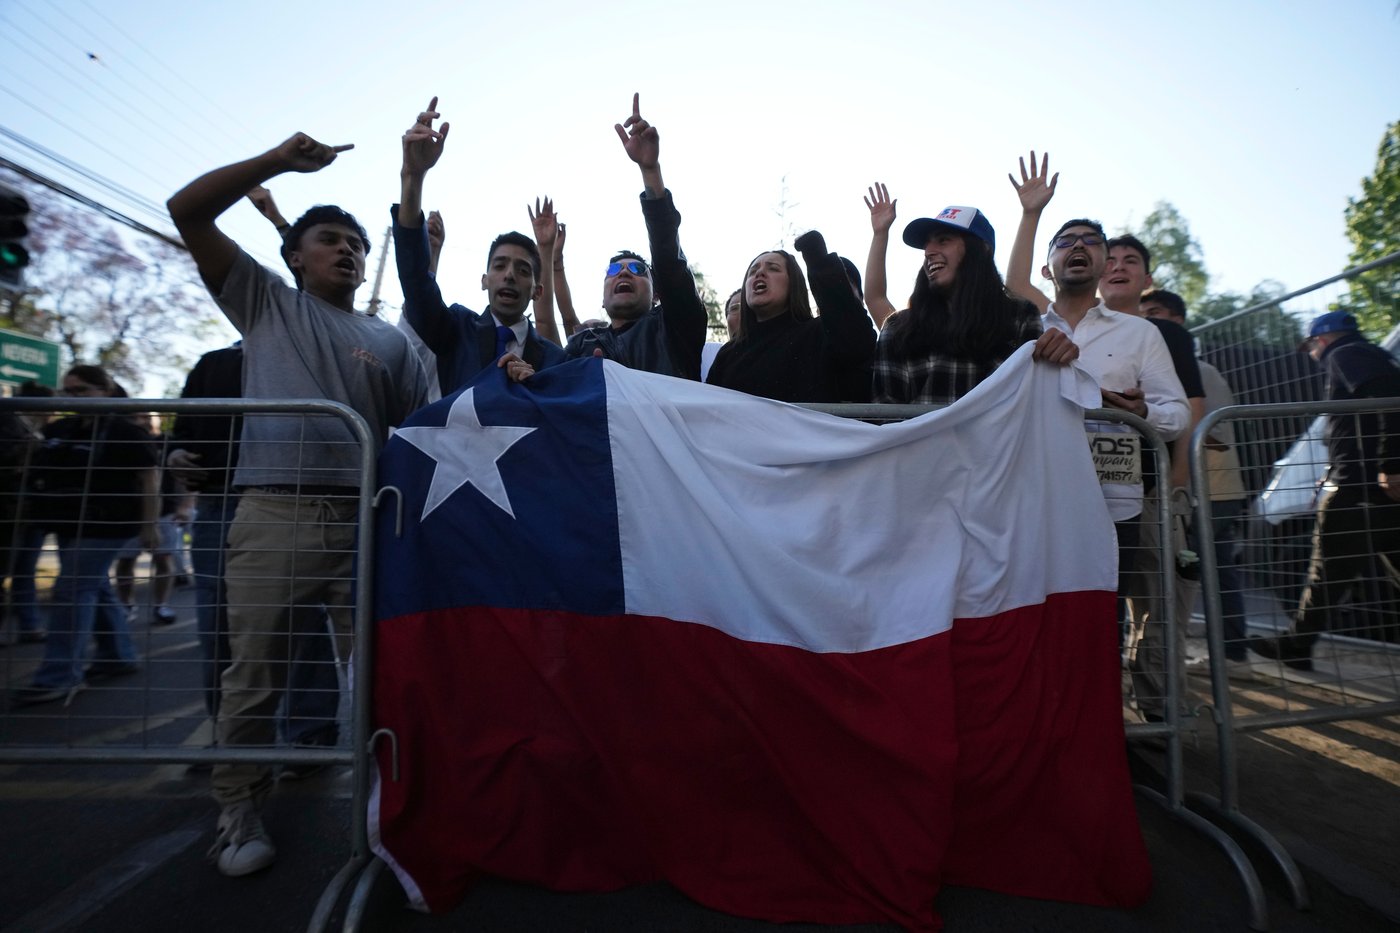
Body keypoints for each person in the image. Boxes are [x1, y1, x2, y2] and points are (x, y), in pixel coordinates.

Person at [168, 129, 429, 877]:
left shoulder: (392, 342)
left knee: (380, 675)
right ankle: (238, 809)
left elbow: (421, 433)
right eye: (329, 240)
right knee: (254, 675)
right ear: (294, 255)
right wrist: (277, 162)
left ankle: (389, 808)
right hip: (273, 515)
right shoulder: (265, 303)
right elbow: (187, 212)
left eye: (357, 244)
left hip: (366, 524)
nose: (347, 250)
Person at [1006, 154, 1189, 720]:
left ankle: (1098, 730)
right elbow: (1010, 285)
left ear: (1106, 261)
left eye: (1090, 240)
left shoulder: (1141, 334)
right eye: (1066, 242)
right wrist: (1031, 215)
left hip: (1114, 503)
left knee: (1101, 619)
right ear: (1048, 267)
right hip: (1033, 498)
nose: (1078, 247)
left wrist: (1142, 412)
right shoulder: (1023, 326)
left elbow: (1177, 413)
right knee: (1034, 615)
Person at [166, 344, 340, 752]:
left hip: (291, 500)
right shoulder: (215, 363)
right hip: (221, 501)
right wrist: (174, 453)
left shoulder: (312, 354)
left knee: (300, 620)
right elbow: (182, 428)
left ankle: (309, 734)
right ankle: (231, 736)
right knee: (218, 623)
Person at [1250, 312, 1400, 671]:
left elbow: (1390, 404)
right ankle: (1296, 644)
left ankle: (1296, 645)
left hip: (1358, 486)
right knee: (1333, 572)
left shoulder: (1346, 354)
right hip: (1363, 483)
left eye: (1311, 347)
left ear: (1321, 340)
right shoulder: (1369, 355)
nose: (1312, 355)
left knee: (1327, 572)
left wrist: (1391, 466)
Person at [393, 97, 564, 395]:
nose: (509, 275)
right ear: (484, 281)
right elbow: (416, 279)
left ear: (537, 291)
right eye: (500, 265)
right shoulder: (455, 329)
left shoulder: (555, 360)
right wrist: (413, 176)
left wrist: (535, 389)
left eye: (523, 270)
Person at [10, 365, 158, 705]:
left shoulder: (125, 432)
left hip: (108, 524)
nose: (73, 398)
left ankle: (60, 675)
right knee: (93, 586)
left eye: (81, 391)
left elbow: (149, 480)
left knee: (73, 589)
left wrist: (150, 526)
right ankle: (117, 654)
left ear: (105, 390)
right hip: (66, 521)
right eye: (68, 391)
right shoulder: (61, 429)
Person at [1142, 290, 1254, 678]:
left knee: (1193, 573)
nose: (1148, 321)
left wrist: (1168, 428)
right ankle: (1232, 656)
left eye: (1155, 313)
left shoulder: (1200, 370)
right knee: (1212, 571)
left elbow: (1212, 430)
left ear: (1178, 321)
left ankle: (1226, 657)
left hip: (1209, 491)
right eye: (1144, 314)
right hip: (1198, 490)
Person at [562, 94, 709, 380]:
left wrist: (650, 171)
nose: (624, 272)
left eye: (638, 269)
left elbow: (668, 258)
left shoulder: (674, 327)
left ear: (657, 294)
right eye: (614, 270)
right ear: (602, 299)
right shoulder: (580, 345)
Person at [872, 202, 1077, 405]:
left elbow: (1030, 398)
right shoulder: (898, 327)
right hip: (916, 431)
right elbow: (886, 412)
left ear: (981, 249)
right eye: (927, 244)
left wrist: (1057, 359)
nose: (929, 251)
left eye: (943, 240)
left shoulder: (1021, 317)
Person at [706, 230, 877, 403]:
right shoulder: (727, 355)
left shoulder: (818, 334)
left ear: (794, 284)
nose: (760, 273)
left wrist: (818, 260)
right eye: (752, 271)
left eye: (773, 268)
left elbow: (858, 343)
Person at [0, 380, 53, 644]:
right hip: (9, 511)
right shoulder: (8, 422)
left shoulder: (39, 429)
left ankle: (29, 624)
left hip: (32, 511)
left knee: (25, 569)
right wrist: (23, 450)